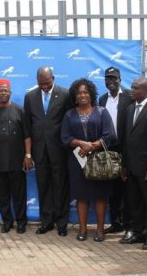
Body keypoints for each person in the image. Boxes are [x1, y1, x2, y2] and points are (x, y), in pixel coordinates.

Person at [61, 78, 114, 241]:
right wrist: (79, 143)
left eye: (85, 92)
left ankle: (99, 230)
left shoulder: (102, 112)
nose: (82, 95)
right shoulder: (69, 114)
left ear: (91, 94)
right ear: (75, 96)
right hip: (77, 161)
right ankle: (82, 230)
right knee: (81, 195)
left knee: (99, 196)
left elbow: (110, 135)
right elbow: (65, 137)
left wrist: (92, 146)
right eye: (79, 93)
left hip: (99, 161)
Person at [23, 66, 71, 236]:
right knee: (43, 187)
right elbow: (27, 126)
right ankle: (47, 221)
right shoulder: (30, 97)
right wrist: (28, 153)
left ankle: (62, 223)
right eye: (41, 83)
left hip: (59, 150)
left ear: (53, 78)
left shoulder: (65, 95)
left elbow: (69, 121)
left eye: (47, 82)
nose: (44, 86)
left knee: (60, 186)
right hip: (39, 151)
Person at [0, 79, 33, 234]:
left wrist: (27, 155)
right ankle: (7, 221)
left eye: (6, 91)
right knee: (3, 194)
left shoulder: (20, 111)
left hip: (17, 161)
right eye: (0, 91)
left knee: (19, 194)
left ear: (10, 93)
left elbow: (27, 136)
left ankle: (21, 222)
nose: (3, 93)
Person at [121, 77, 147, 250]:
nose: (132, 90)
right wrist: (124, 164)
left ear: (146, 90)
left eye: (136, 88)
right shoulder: (130, 109)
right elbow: (126, 138)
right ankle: (137, 232)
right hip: (131, 165)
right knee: (135, 202)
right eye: (132, 87)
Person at [98, 66, 134, 235]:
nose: (111, 81)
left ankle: (129, 225)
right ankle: (115, 222)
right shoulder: (102, 99)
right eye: (108, 78)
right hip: (108, 149)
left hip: (125, 147)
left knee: (127, 188)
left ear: (120, 80)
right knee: (111, 189)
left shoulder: (128, 97)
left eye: (114, 78)